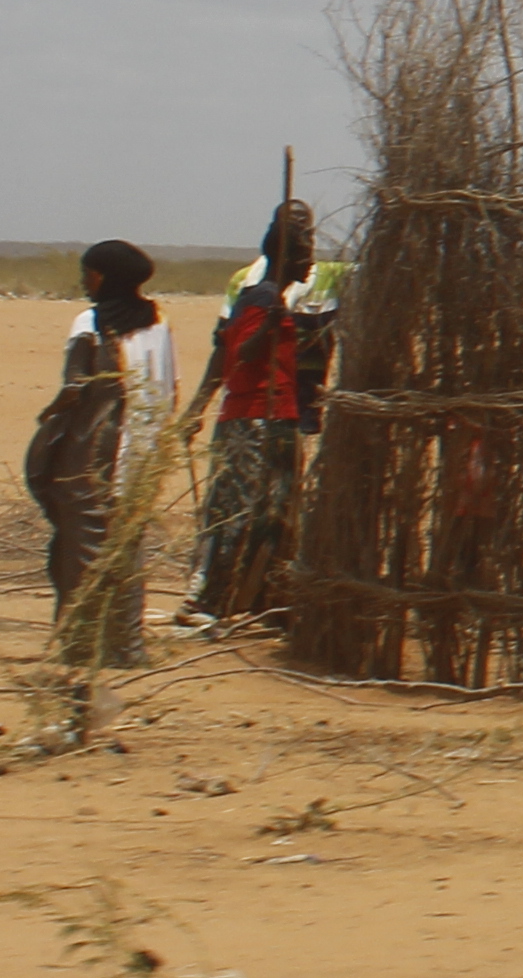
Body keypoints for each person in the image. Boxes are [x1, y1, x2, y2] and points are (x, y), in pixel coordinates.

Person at [29, 239, 175, 663]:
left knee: (83, 548)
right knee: (127, 547)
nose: (84, 281)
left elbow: (75, 383)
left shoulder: (90, 323)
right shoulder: (158, 323)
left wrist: (50, 413)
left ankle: (81, 645)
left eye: (89, 272)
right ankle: (127, 645)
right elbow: (169, 385)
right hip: (142, 454)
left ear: (107, 277)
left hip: (93, 454)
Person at [183, 197, 324, 631]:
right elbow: (233, 354)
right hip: (251, 419)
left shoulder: (291, 293)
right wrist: (196, 409)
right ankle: (212, 599)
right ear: (285, 252)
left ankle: (267, 599)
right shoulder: (256, 296)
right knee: (235, 509)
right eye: (303, 250)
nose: (311, 259)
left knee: (276, 511)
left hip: (281, 416)